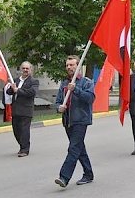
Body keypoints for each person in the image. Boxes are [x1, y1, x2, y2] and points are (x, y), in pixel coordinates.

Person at [54, 55, 95, 187]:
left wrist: (75, 89)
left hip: (80, 120)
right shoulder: (64, 83)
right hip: (67, 121)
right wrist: (59, 108)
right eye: (67, 65)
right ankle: (88, 174)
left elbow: (90, 98)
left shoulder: (86, 82)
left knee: (73, 148)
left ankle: (64, 177)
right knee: (79, 148)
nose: (69, 67)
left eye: (72, 65)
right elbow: (58, 102)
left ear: (78, 66)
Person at [6, 61, 39, 157]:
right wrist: (11, 87)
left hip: (26, 110)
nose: (25, 70)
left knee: (24, 130)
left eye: (27, 68)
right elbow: (9, 92)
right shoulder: (16, 80)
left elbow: (32, 92)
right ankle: (22, 146)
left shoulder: (34, 81)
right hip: (15, 110)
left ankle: (25, 149)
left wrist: (18, 90)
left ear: (31, 70)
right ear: (20, 69)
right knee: (16, 130)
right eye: (23, 68)